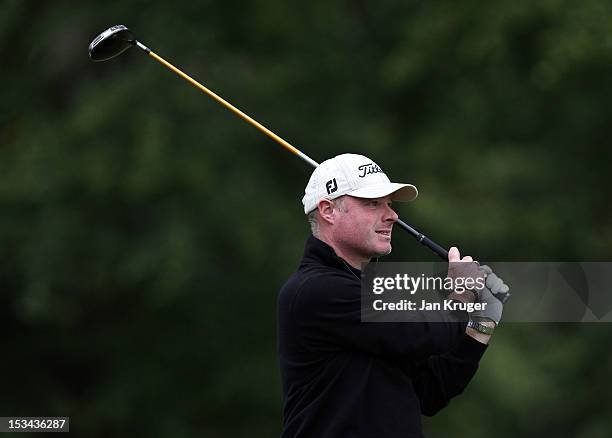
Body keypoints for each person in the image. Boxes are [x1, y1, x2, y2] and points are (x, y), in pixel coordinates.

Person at [277, 153, 508, 437]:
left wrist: (480, 326)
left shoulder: (367, 292)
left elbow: (431, 391)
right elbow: (426, 334)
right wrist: (462, 293)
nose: (392, 215)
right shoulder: (316, 290)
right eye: (373, 203)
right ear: (328, 211)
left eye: (388, 204)